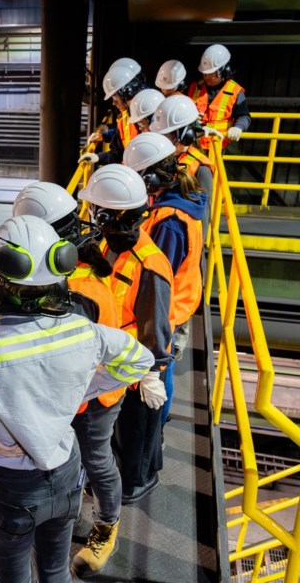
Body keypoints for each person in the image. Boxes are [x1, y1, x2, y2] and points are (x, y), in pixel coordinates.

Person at [0, 215, 158, 583]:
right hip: (67, 475)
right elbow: (141, 360)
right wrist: (85, 389)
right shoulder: (85, 332)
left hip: (12, 489)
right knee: (55, 569)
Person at [12, 182, 125, 576]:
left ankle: (107, 526)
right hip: (87, 391)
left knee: (97, 460)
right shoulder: (73, 264)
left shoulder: (73, 292)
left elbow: (66, 363)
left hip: (91, 399)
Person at [76, 165, 173, 505]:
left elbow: (157, 325)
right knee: (123, 437)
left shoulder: (149, 264)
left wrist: (152, 373)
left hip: (134, 368)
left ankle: (134, 487)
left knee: (136, 437)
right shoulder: (108, 244)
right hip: (111, 363)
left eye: (95, 210)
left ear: (110, 215)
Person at [124, 133, 207, 427]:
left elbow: (159, 276)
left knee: (162, 367)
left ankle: (158, 423)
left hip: (169, 306)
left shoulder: (169, 220)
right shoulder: (174, 200)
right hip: (179, 298)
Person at [150, 95, 215, 241]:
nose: (163, 141)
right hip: (161, 229)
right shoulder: (167, 157)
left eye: (167, 136)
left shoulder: (201, 168)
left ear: (186, 135)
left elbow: (202, 222)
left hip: (180, 242)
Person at [81, 58, 148, 167]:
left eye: (114, 97)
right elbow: (117, 153)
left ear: (126, 93)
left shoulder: (148, 115)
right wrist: (98, 157)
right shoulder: (124, 120)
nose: (113, 103)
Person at [187, 44, 251, 149]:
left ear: (224, 71)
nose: (206, 77)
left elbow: (244, 116)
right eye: (204, 73)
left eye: (210, 74)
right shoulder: (195, 87)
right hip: (193, 144)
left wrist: (238, 128)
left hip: (218, 145)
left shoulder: (235, 91)